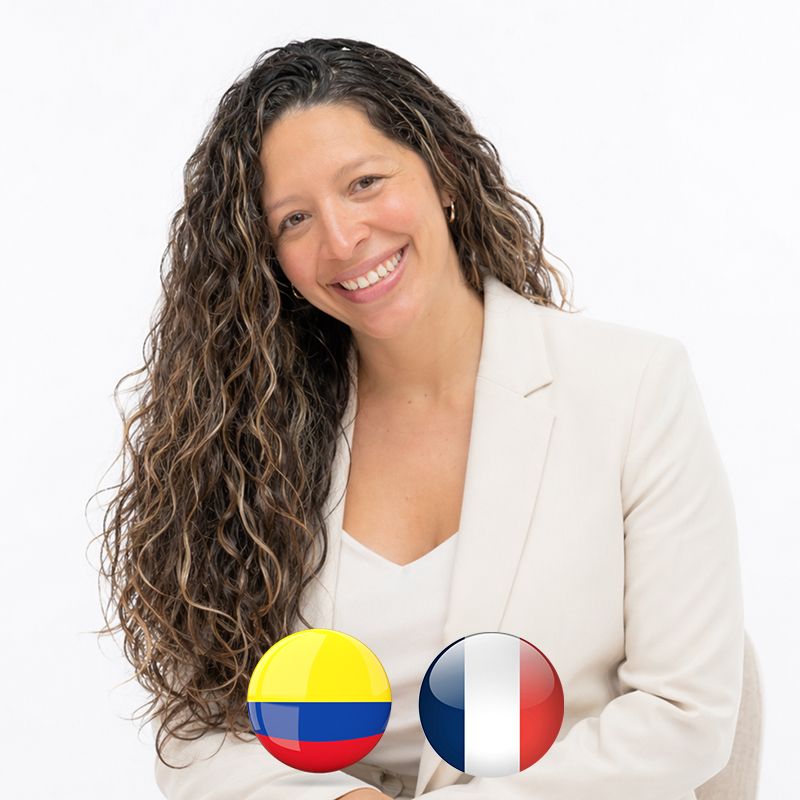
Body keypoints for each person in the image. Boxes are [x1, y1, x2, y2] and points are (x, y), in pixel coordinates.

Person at [97, 37, 744, 800]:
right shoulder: (248, 433)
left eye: (364, 183)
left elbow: (683, 713)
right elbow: (200, 725)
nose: (342, 239)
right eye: (295, 219)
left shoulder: (632, 387)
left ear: (444, 170)